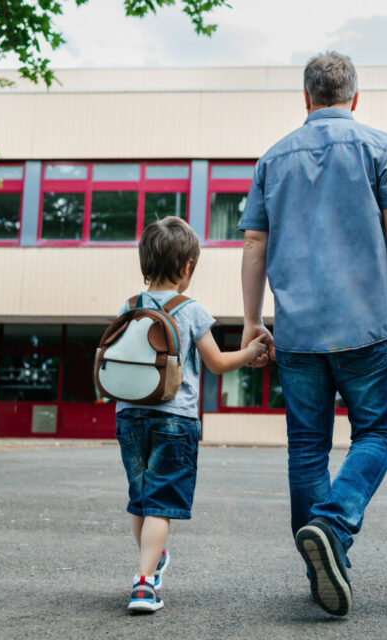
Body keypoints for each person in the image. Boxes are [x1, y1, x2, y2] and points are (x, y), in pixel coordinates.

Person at [238, 51, 387, 617]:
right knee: (378, 434)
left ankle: (323, 559)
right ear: (355, 98)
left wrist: (252, 321)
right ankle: (333, 526)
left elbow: (252, 244)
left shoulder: (272, 158)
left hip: (296, 333)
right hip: (365, 327)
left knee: (307, 449)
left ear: (306, 99)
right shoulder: (379, 146)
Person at [115, 216, 268, 613]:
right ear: (187, 268)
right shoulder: (191, 310)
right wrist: (251, 353)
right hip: (174, 419)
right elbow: (216, 363)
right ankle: (144, 584)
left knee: (142, 498)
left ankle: (150, 560)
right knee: (161, 502)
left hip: (128, 415)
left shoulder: (130, 306)